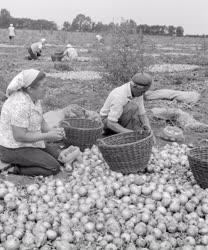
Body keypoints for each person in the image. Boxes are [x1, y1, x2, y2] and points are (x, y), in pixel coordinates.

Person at [0, 69, 65, 176]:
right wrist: (47, 136)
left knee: (60, 157)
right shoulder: (20, 104)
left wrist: (53, 131)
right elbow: (19, 136)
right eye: (43, 86)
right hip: (12, 148)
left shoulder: (34, 98)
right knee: (54, 167)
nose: (46, 88)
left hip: (28, 143)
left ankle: (28, 162)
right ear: (30, 89)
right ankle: (14, 169)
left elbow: (41, 121)